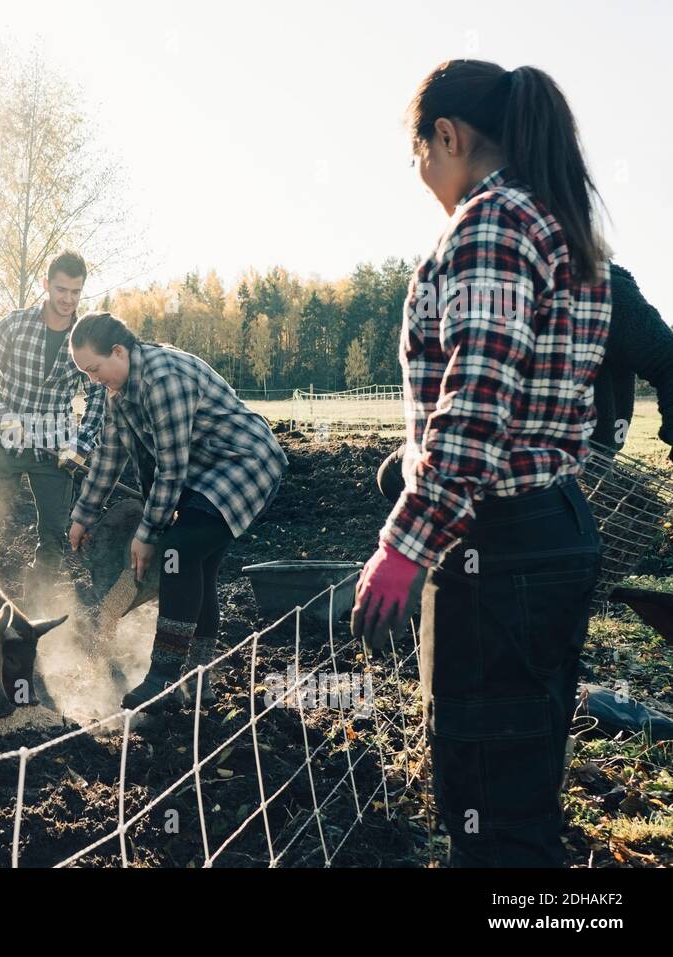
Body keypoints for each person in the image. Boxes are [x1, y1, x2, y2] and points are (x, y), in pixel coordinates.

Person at [352, 60, 612, 867]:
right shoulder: (556, 220)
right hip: (546, 530)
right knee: (520, 790)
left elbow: (473, 415)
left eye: (420, 155)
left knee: (491, 811)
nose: (422, 175)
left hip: (498, 549)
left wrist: (403, 546)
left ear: (450, 136)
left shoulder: (492, 224)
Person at [67, 313, 287, 709]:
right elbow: (110, 454)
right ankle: (199, 681)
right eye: (86, 373)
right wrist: (84, 514)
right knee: (196, 566)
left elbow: (170, 467)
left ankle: (163, 678)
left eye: (95, 369)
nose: (93, 380)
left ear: (118, 352)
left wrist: (146, 534)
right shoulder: (115, 389)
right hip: (202, 475)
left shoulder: (163, 380)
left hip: (244, 463)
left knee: (178, 553)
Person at [375, 261, 673, 500]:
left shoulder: (603, 288)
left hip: (568, 467)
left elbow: (666, 359)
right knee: (391, 477)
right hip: (480, 447)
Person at [0, 251, 106, 605]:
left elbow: (98, 398)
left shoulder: (86, 338)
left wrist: (81, 443)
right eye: (61, 289)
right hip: (5, 441)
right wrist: (1, 413)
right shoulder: (14, 324)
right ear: (46, 285)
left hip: (55, 450)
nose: (67, 299)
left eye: (76, 292)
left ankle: (31, 614)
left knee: (53, 538)